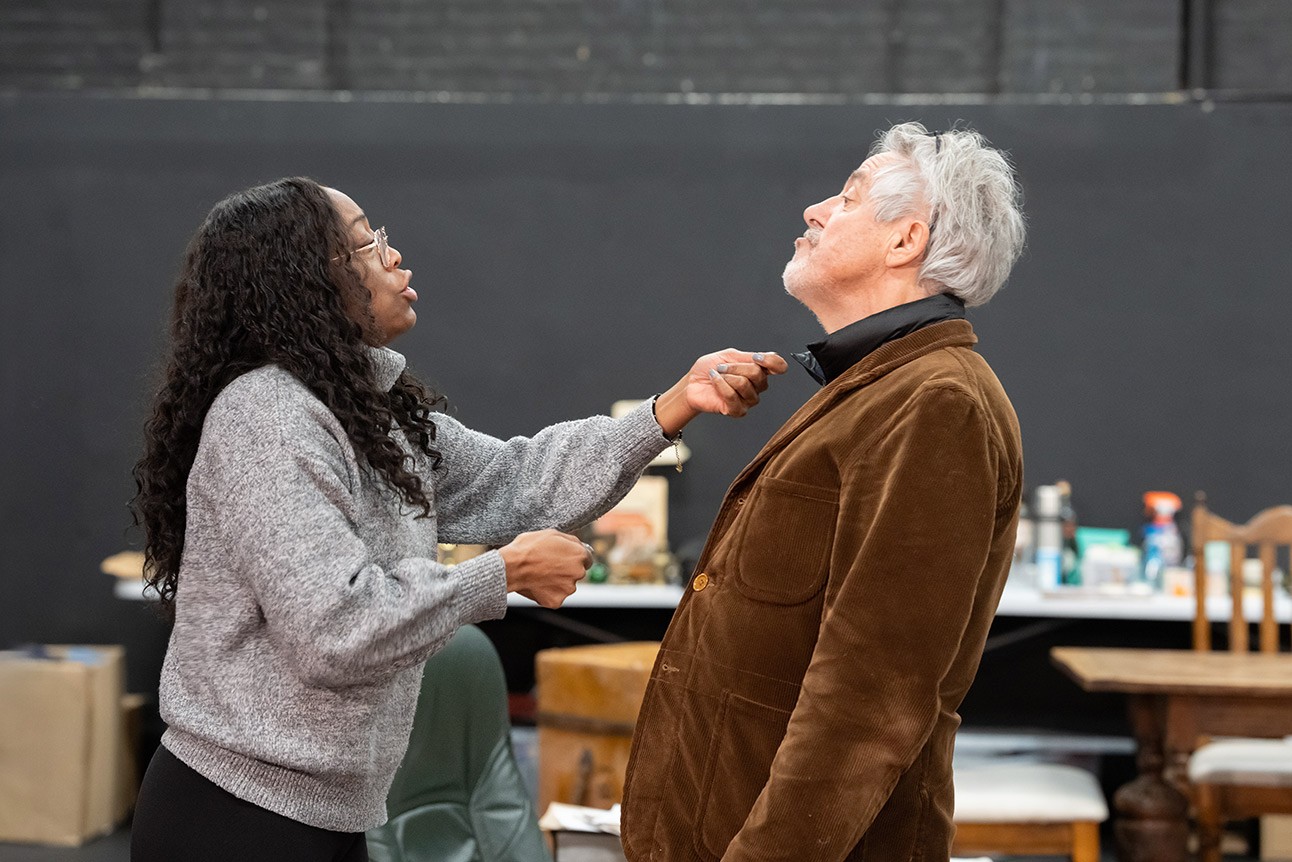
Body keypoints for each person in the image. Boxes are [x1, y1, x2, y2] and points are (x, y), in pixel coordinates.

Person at [128, 176, 788, 862]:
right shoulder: (267, 417)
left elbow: (519, 479)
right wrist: (505, 573)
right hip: (236, 817)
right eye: (366, 243)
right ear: (304, 279)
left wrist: (673, 406)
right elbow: (335, 629)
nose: (394, 257)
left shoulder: (371, 417)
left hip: (328, 815)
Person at [620, 122, 1026, 861]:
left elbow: (871, 697)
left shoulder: (935, 403)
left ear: (905, 240)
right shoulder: (883, 388)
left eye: (846, 198)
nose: (814, 211)